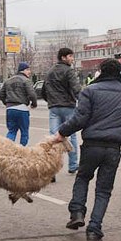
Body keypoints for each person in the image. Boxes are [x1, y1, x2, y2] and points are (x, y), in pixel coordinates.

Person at [53, 58, 121, 241]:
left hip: (92, 145)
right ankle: (94, 231)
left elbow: (80, 119)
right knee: (103, 190)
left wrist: (61, 133)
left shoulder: (90, 91)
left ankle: (76, 212)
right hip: (113, 148)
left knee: (83, 178)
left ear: (100, 72)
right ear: (119, 73)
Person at [41, 48, 81, 179]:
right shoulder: (69, 71)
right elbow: (76, 89)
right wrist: (83, 102)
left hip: (54, 108)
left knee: (54, 138)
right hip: (68, 107)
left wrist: (51, 101)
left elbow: (43, 91)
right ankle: (73, 165)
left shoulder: (49, 72)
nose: (72, 58)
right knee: (72, 136)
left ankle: (51, 170)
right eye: (70, 56)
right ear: (63, 57)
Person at [0, 62, 37, 146]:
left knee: (11, 131)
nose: (29, 72)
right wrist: (34, 104)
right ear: (23, 70)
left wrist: (6, 103)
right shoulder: (26, 81)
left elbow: (1, 94)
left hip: (10, 109)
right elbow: (32, 94)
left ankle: (7, 150)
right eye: (28, 70)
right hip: (22, 109)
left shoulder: (8, 81)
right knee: (24, 132)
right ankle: (22, 151)